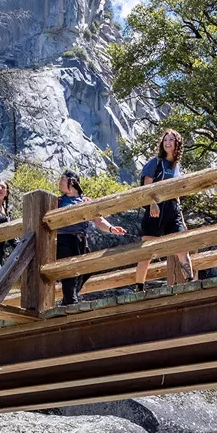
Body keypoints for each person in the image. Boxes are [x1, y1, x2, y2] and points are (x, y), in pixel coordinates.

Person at [56, 172, 126, 306]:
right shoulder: (58, 201)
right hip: (63, 239)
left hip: (81, 240)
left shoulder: (85, 201)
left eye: (62, 179)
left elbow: (98, 220)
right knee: (69, 270)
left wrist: (112, 228)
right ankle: (71, 302)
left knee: (87, 267)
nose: (59, 182)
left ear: (72, 181)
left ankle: (68, 298)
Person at [135, 129, 193, 287]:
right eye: (165, 140)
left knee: (181, 247)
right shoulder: (156, 162)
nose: (167, 142)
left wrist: (181, 217)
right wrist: (152, 202)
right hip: (155, 211)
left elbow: (177, 193)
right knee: (147, 252)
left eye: (171, 140)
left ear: (177, 144)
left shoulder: (177, 167)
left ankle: (191, 282)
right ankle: (139, 287)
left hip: (173, 211)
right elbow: (147, 185)